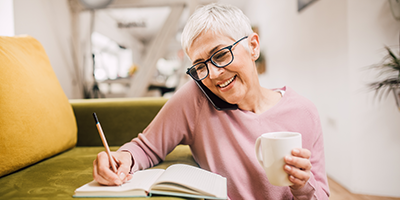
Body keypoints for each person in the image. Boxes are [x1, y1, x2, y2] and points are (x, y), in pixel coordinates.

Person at [93, 3, 330, 200]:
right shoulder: (195, 99)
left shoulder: (304, 112)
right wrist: (122, 158)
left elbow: (321, 195)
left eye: (221, 54)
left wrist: (303, 186)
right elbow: (146, 147)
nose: (214, 74)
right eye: (200, 66)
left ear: (253, 46)